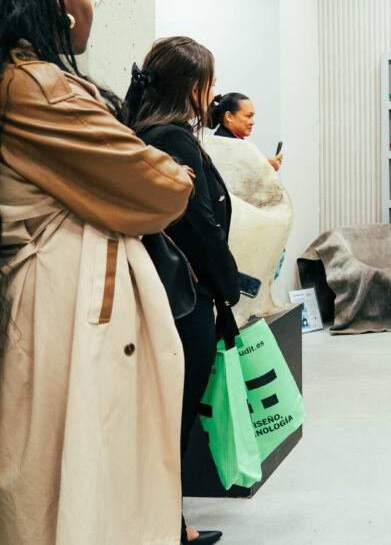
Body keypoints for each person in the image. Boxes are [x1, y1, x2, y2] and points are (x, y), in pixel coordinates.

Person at [0, 0, 194, 544]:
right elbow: (162, 187)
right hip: (67, 311)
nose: (91, 6)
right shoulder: (37, 86)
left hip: (55, 303)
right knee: (80, 470)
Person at [127, 37, 242, 545]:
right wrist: (230, 285)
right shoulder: (172, 139)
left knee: (160, 417)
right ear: (194, 88)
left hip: (161, 295)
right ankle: (169, 528)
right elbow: (197, 225)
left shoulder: (140, 132)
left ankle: (164, 522)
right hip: (184, 301)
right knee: (173, 419)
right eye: (209, 84)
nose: (212, 95)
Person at [209, 92, 283, 171]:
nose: (252, 122)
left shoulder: (232, 143)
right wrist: (267, 169)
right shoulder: (225, 147)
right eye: (248, 116)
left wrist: (266, 165)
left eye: (252, 116)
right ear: (229, 116)